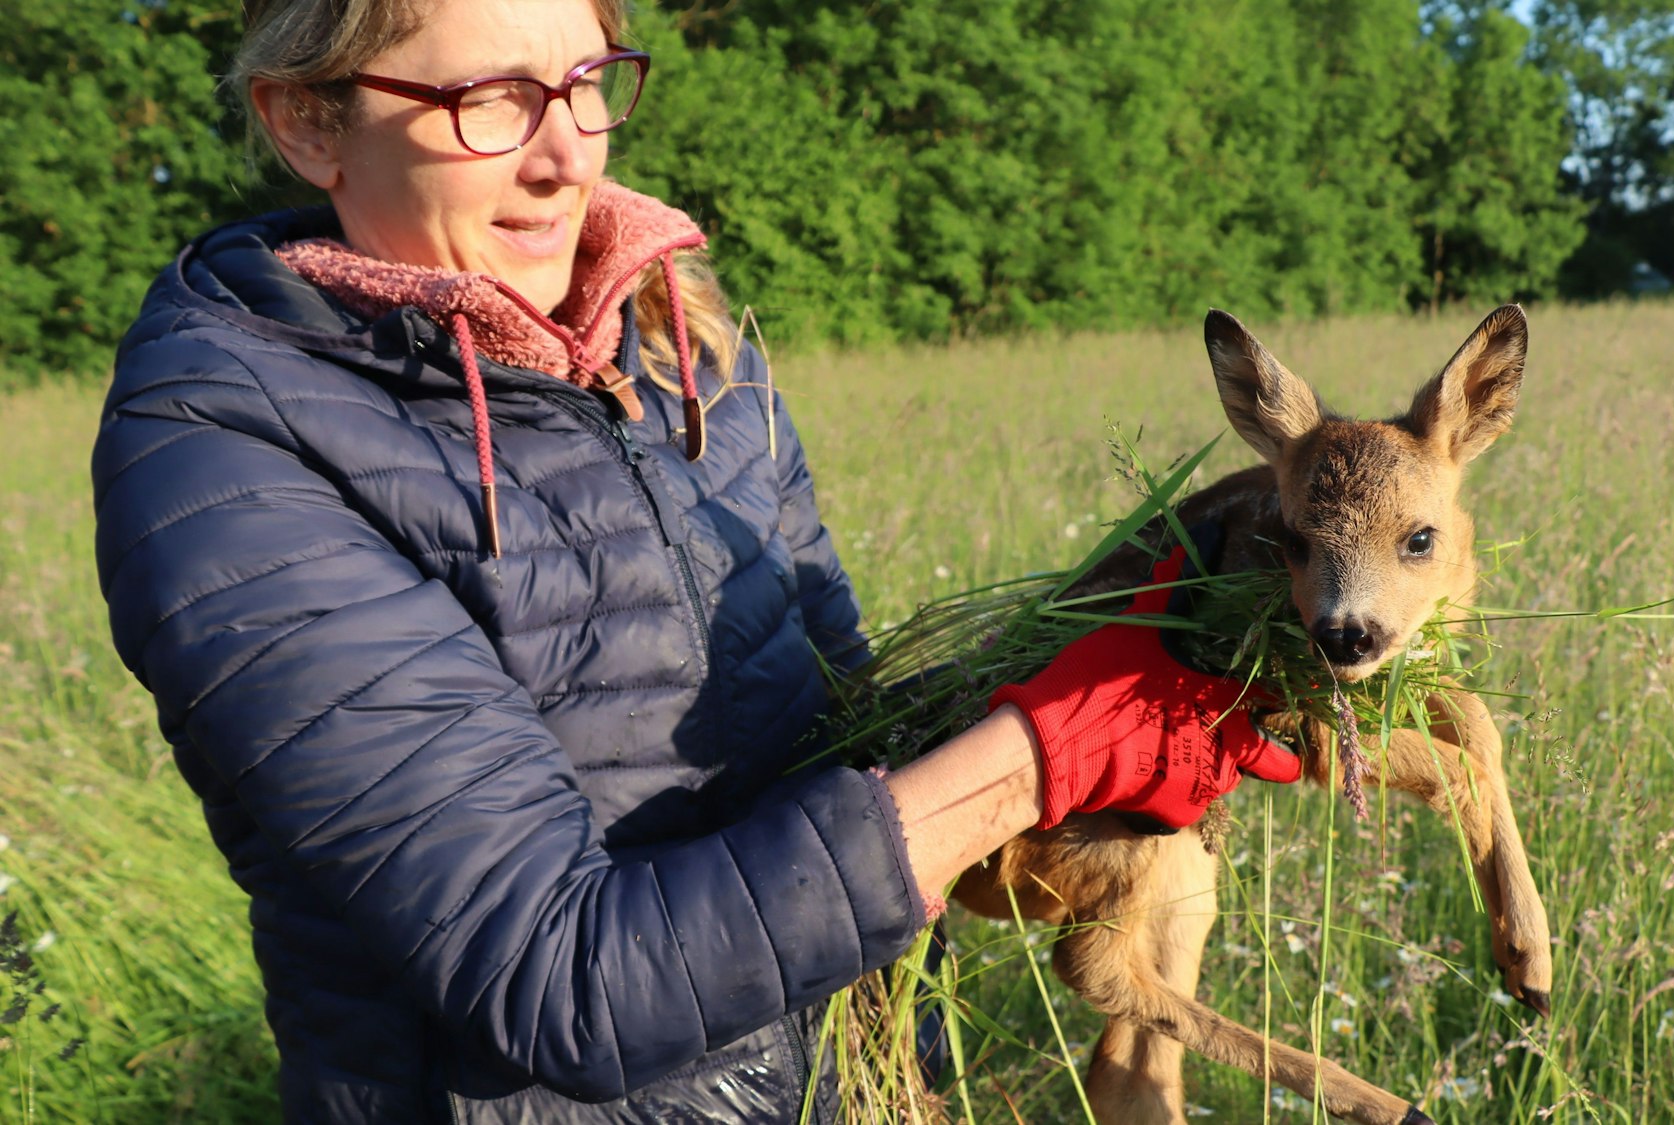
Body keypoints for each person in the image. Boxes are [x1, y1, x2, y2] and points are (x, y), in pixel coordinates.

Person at [92, 0, 1302, 1120]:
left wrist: (1133, 684)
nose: (567, 154)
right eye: (490, 101)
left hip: (853, 1076)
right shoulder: (227, 448)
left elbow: (852, 740)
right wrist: (1036, 756)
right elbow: (559, 981)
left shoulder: (683, 348)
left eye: (584, 82)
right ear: (310, 123)